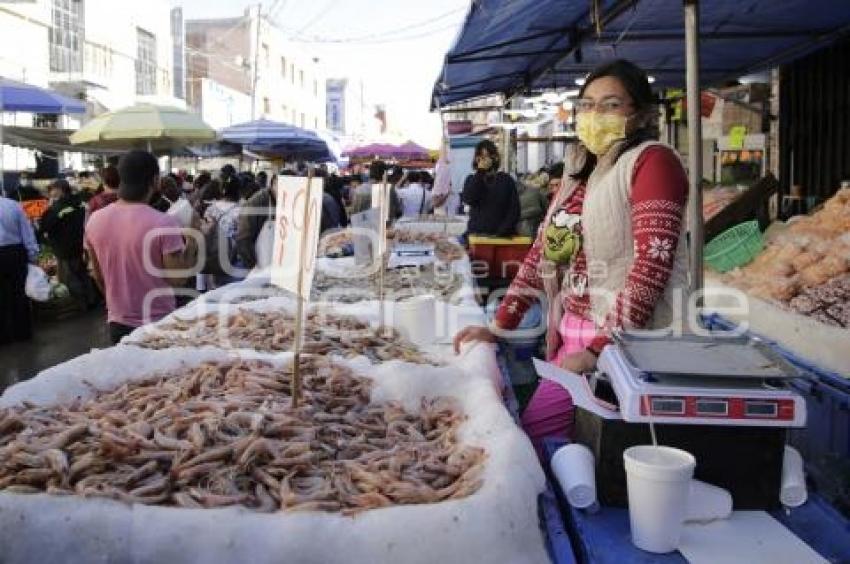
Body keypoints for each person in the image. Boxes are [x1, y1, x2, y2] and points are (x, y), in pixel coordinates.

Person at [454, 59, 689, 454]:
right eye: (586, 104)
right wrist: (499, 326)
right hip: (570, 341)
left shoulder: (653, 162)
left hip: (625, 349)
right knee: (559, 448)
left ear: (643, 114)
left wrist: (599, 350)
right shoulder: (580, 174)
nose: (595, 114)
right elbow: (539, 259)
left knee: (546, 444)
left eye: (611, 105)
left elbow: (652, 262)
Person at [85, 150, 197, 344]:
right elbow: (178, 280)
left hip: (117, 322)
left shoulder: (95, 220)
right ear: (155, 181)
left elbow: (97, 275)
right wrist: (194, 240)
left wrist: (118, 303)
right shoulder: (164, 223)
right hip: (159, 321)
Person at [40, 179, 95, 307]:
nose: (51, 192)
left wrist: (50, 207)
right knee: (82, 273)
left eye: (53, 189)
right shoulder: (80, 202)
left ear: (59, 190)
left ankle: (82, 304)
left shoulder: (58, 207)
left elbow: (45, 225)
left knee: (70, 277)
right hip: (80, 244)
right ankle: (91, 299)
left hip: (64, 248)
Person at [0, 193, 39, 343]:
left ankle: (3, 337)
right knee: (19, 293)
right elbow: (27, 232)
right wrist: (33, 255)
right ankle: (22, 333)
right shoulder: (14, 206)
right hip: (15, 253)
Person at [461, 139, 520, 237]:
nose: (483, 161)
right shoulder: (471, 179)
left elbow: (514, 211)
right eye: (480, 157)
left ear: (495, 158)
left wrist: (501, 232)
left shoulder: (505, 180)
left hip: (501, 238)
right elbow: (469, 199)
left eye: (486, 157)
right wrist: (480, 172)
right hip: (477, 236)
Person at [515, 172, 550, 237]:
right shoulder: (536, 191)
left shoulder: (508, 195)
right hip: (537, 231)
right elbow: (548, 210)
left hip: (518, 232)